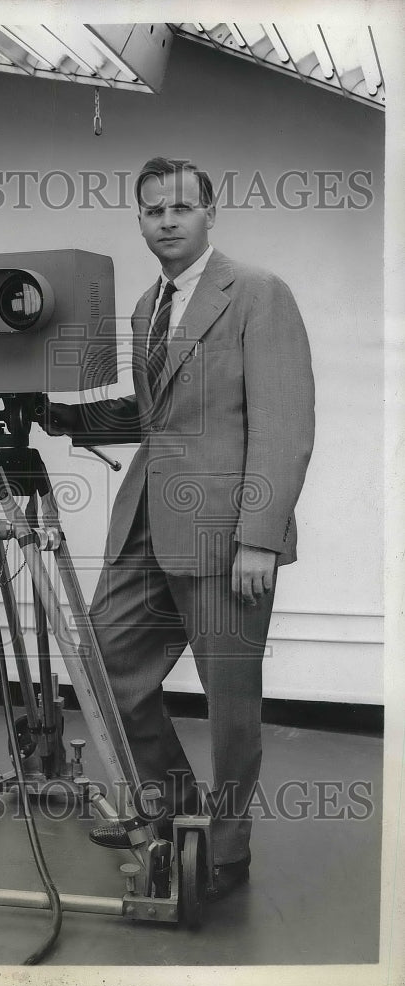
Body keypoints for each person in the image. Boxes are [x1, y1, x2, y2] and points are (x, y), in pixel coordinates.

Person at [39, 156, 315, 901]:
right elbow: (155, 417)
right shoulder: (144, 307)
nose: (167, 221)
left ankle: (228, 846)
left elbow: (284, 423)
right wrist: (66, 418)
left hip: (228, 536)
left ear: (209, 212)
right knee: (102, 664)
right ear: (139, 219)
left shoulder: (257, 294)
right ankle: (173, 806)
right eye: (153, 210)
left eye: (181, 208)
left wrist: (261, 533)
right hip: (148, 526)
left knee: (230, 701)